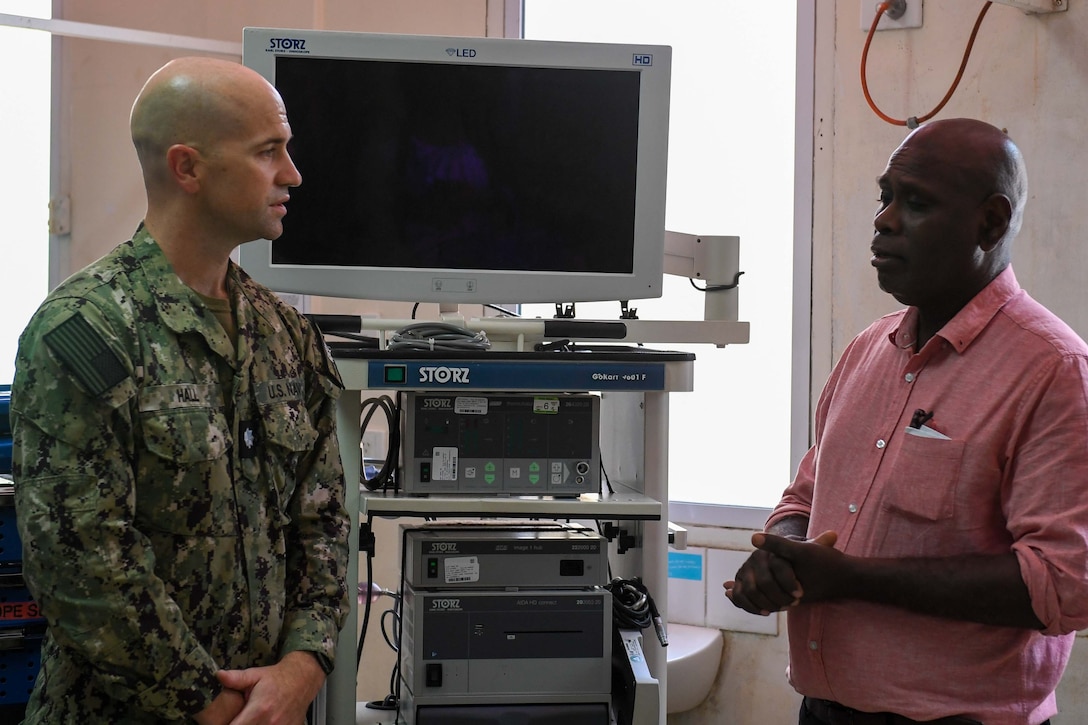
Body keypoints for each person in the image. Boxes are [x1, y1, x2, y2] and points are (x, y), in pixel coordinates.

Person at [11, 56, 351, 724]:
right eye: (268, 152)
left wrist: (303, 667)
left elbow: (326, 522)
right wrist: (213, 704)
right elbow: (82, 565)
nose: (292, 175)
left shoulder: (286, 336)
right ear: (187, 168)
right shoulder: (86, 333)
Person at [725, 118, 1088, 725]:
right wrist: (783, 553)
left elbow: (1064, 583)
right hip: (824, 709)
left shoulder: (1052, 371)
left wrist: (850, 580)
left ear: (990, 222)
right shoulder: (868, 351)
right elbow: (808, 494)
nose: (884, 220)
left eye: (915, 202)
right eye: (884, 196)